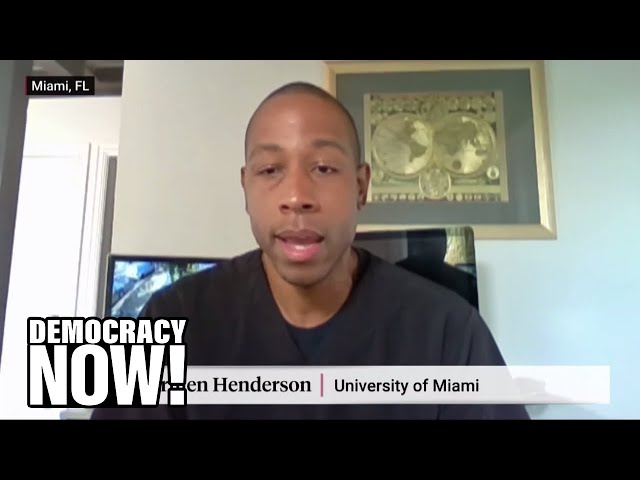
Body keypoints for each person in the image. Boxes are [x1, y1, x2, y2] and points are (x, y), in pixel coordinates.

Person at [91, 81, 530, 420]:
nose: (297, 196)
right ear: (245, 188)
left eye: (323, 168)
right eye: (270, 170)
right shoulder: (167, 317)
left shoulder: (449, 332)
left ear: (361, 186)